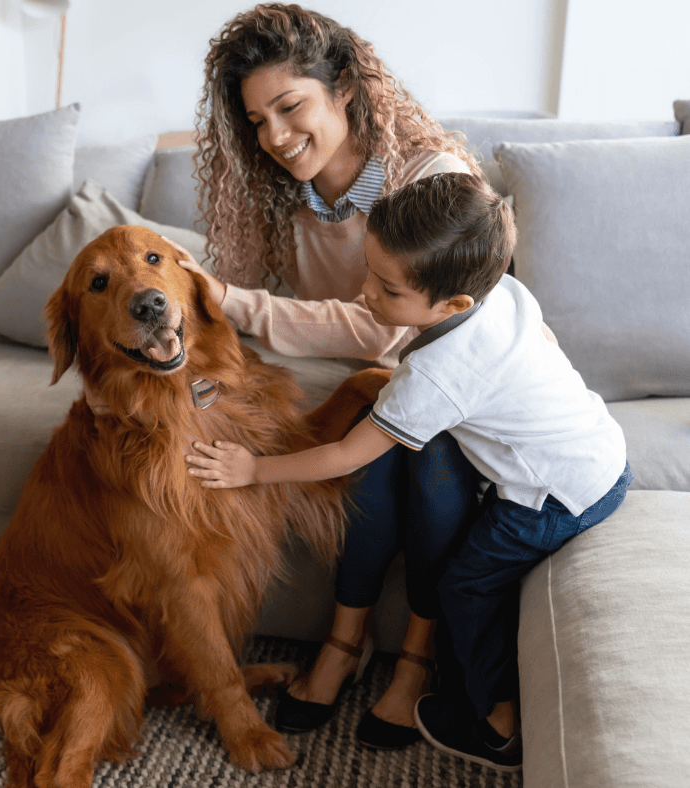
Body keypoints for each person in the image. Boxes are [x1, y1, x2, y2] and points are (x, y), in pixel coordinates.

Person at [185, 171, 633, 772]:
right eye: (369, 270)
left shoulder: (434, 377)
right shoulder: (505, 293)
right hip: (602, 450)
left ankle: (499, 723)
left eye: (388, 290)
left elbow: (345, 455)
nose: (367, 294)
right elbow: (542, 338)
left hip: (556, 495)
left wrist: (253, 468)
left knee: (467, 586)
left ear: (453, 306)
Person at [175, 3, 485, 750]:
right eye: (256, 121)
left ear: (343, 87)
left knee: (428, 457)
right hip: (362, 387)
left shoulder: (428, 181)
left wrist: (241, 305)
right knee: (361, 443)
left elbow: (389, 326)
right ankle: (345, 643)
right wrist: (199, 393)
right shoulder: (274, 194)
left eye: (290, 107)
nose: (275, 138)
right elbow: (229, 327)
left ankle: (414, 657)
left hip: (448, 385)